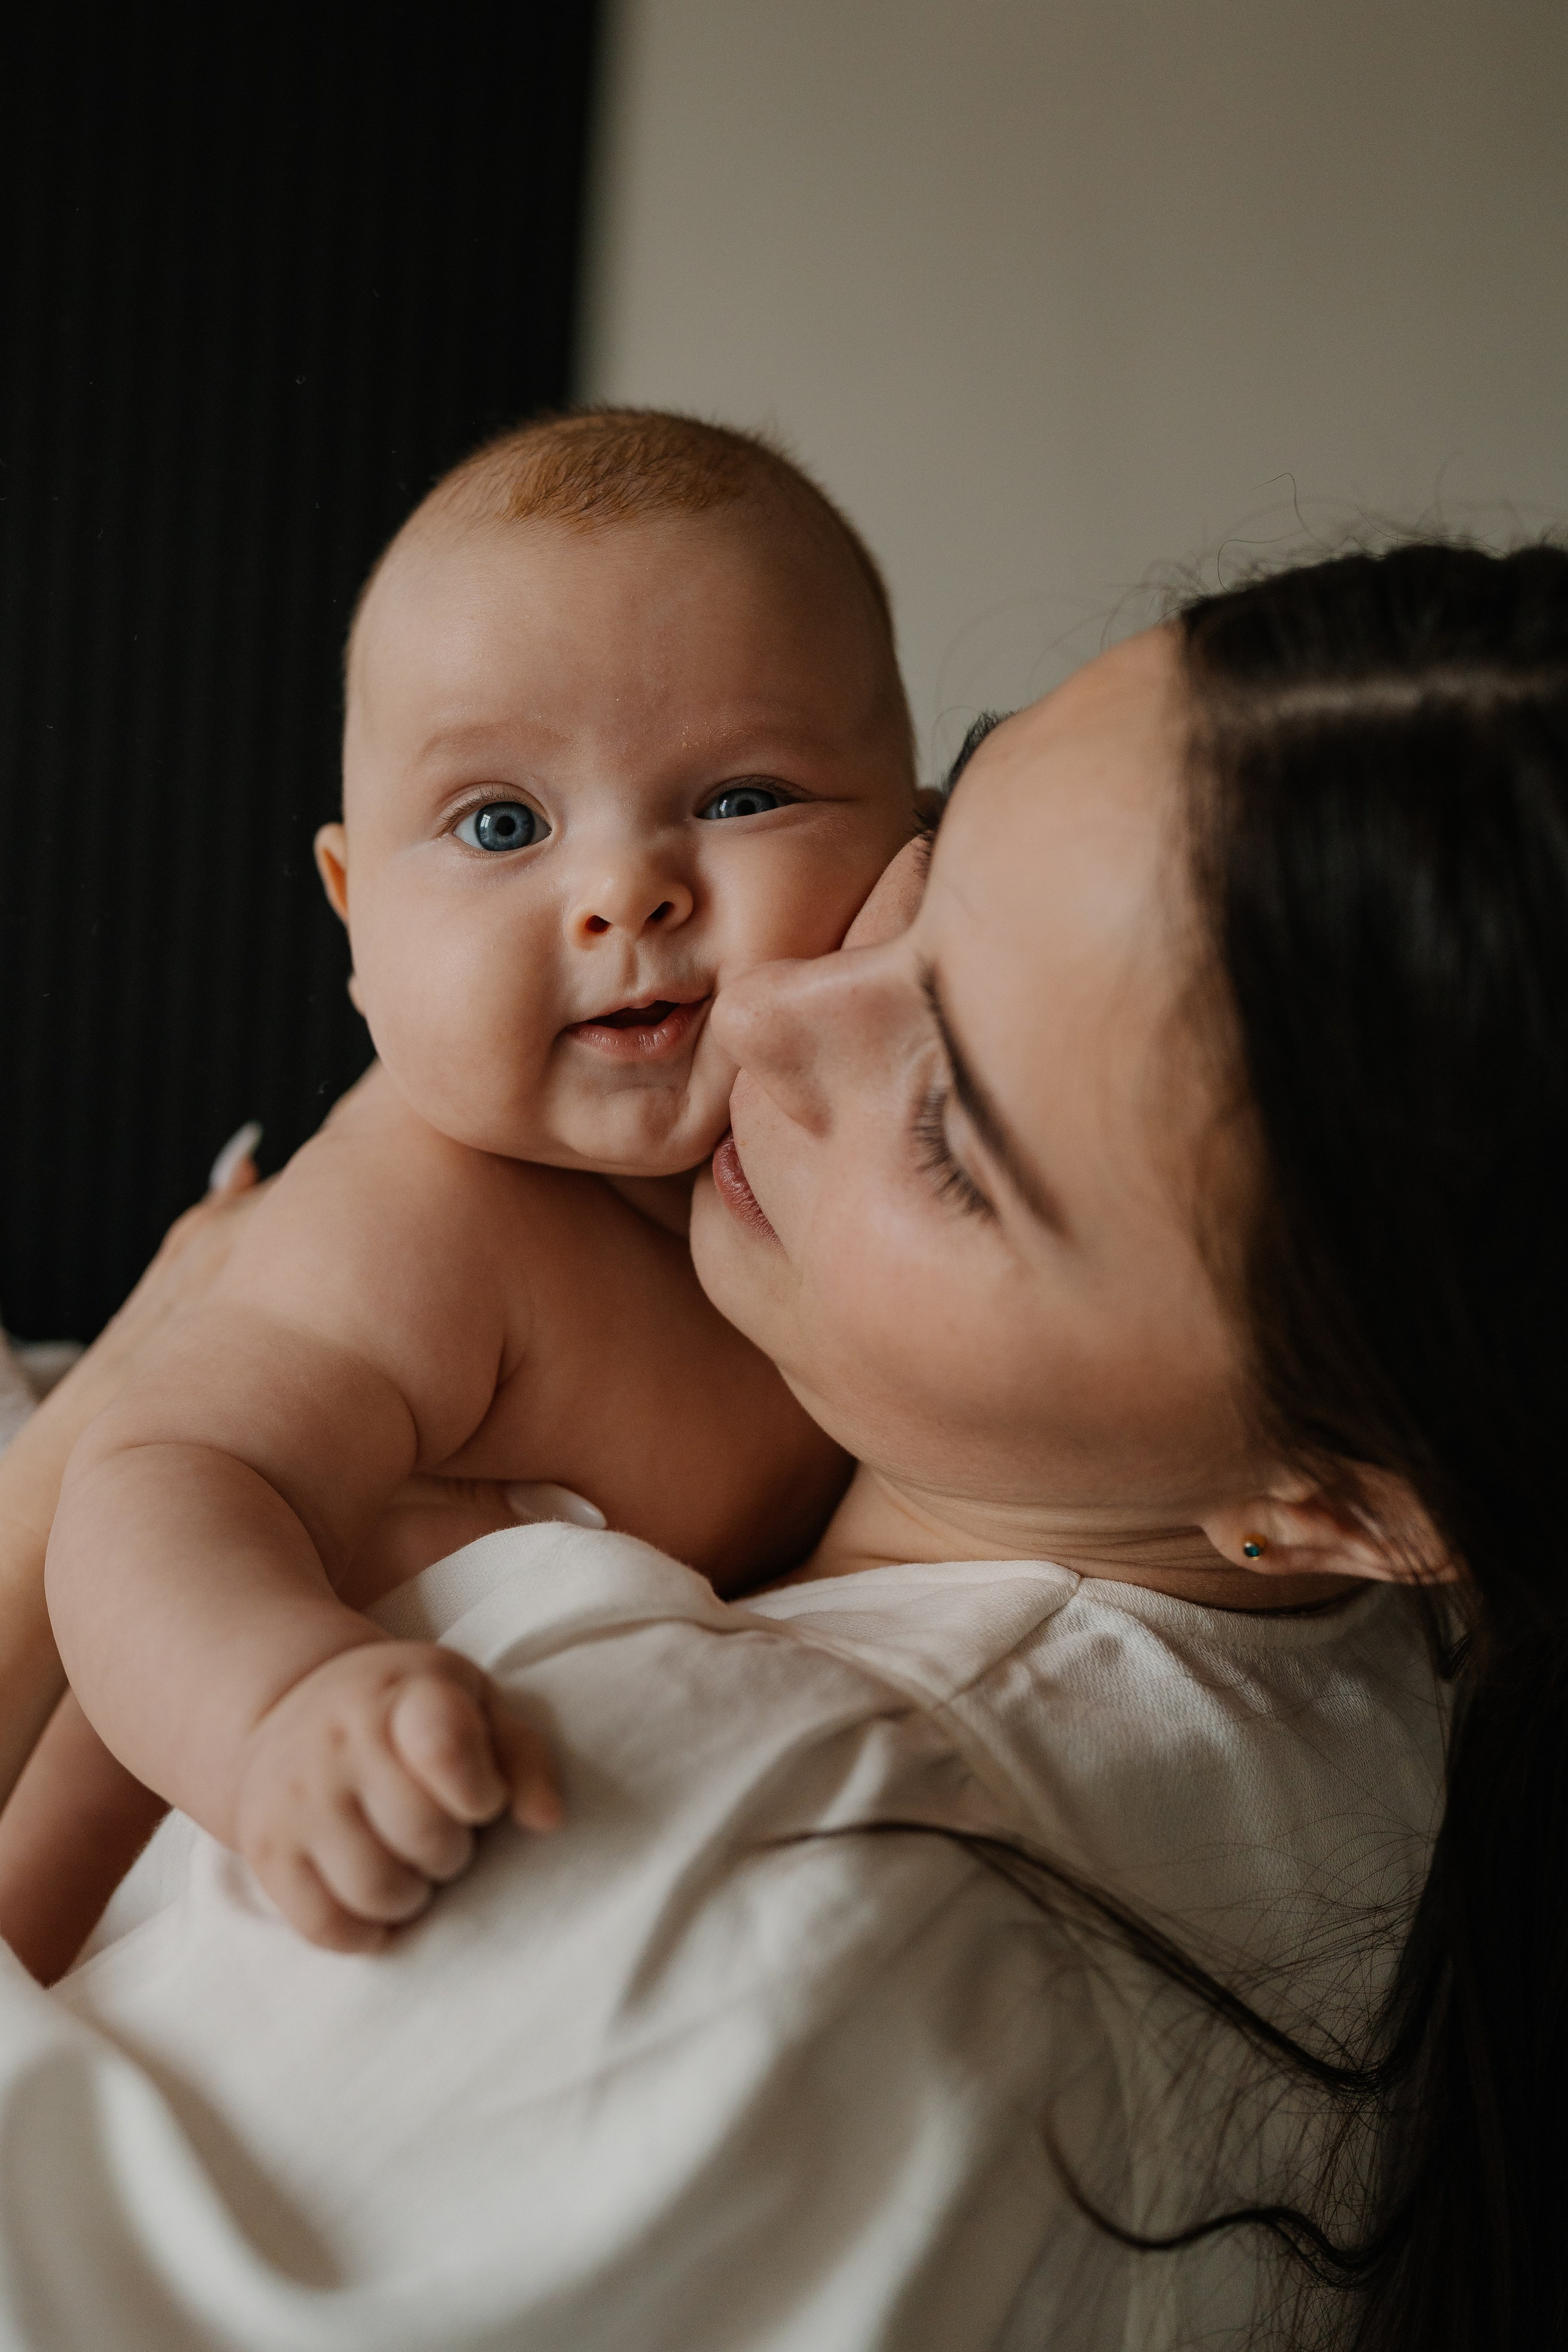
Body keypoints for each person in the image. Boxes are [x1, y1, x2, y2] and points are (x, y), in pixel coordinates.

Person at [0, 537, 1552, 2352]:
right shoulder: (1407, 1702)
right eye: (935, 862)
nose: (768, 1009)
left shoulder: (724, 1871)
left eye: (959, 1132)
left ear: (1347, 1502)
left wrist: (105, 1437)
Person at [39, 409, 924, 1954]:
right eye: (499, 824)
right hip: (96, 1870)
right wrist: (277, 1706)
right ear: (352, 911)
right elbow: (162, 1486)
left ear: (917, 833)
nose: (624, 891)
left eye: (740, 797)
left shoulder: (881, 1163)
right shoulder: (429, 1212)